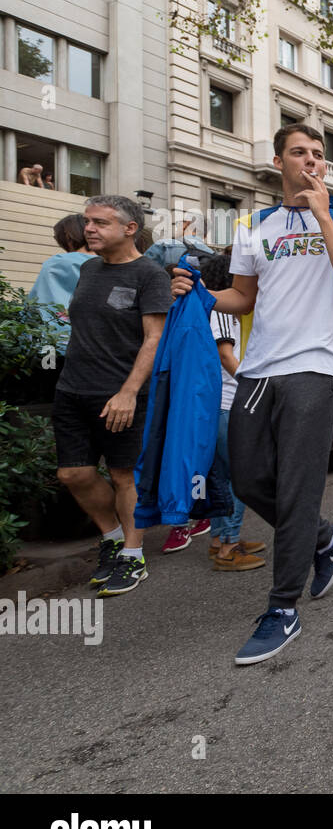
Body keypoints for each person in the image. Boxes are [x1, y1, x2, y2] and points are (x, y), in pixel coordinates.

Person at [171, 122, 333, 664]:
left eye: (318, 154)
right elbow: (242, 296)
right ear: (279, 162)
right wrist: (198, 295)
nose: (311, 161)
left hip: (318, 366)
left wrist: (323, 213)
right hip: (258, 370)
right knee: (247, 474)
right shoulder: (252, 225)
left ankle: (283, 608)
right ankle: (325, 539)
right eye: (299, 153)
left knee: (296, 488)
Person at [55, 196, 171, 597]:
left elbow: (154, 339)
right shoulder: (88, 268)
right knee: (73, 473)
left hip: (120, 393)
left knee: (124, 475)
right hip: (72, 389)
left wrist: (128, 392)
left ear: (129, 229)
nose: (88, 228)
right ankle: (112, 536)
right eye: (87, 221)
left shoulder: (150, 275)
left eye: (100, 222)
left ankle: (132, 555)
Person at [196, 251, 266, 571]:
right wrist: (250, 386)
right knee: (240, 478)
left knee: (221, 477)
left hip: (213, 404)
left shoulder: (204, 307)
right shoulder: (221, 309)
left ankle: (218, 539)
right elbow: (226, 356)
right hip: (227, 402)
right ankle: (229, 546)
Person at [29, 214, 95, 351]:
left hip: (55, 345)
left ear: (68, 237)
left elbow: (39, 306)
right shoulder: (110, 263)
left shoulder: (57, 263)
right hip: (96, 348)